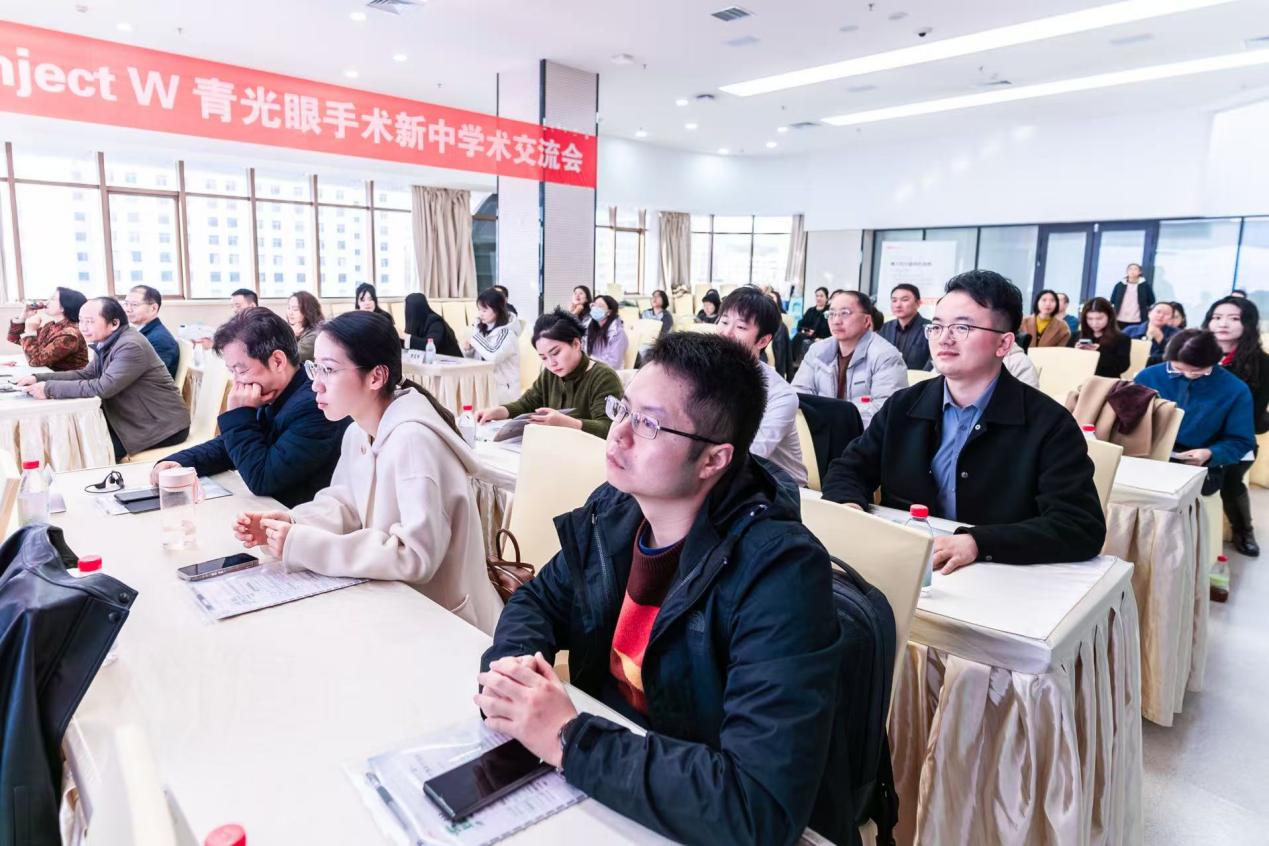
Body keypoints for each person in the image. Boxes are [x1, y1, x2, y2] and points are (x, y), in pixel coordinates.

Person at [477, 331, 850, 845]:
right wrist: (513, 673)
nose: (618, 435)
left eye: (648, 424)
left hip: (689, 805)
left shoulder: (781, 574)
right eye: (623, 410)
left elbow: (756, 806)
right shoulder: (618, 507)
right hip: (613, 778)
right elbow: (540, 599)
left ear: (713, 460)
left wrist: (568, 738)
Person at [232, 310, 503, 633]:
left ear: (376, 377)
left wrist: (305, 546)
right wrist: (292, 524)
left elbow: (415, 556)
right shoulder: (358, 431)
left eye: (329, 370)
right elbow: (344, 504)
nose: (315, 383)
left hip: (447, 624)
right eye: (315, 367)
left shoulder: (414, 440)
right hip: (398, 606)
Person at [821, 270, 1106, 570]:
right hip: (907, 566)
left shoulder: (1049, 423)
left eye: (962, 327)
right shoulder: (903, 406)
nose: (944, 338)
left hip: (1002, 575)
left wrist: (978, 543)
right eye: (937, 326)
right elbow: (848, 469)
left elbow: (1079, 524)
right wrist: (849, 508)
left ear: (1003, 344)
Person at [151, 308, 350, 508]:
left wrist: (239, 414)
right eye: (232, 371)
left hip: (301, 516)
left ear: (278, 361)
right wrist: (181, 462)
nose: (237, 382)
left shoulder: (314, 405)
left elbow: (262, 479)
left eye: (241, 370)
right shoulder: (276, 392)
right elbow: (231, 447)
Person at [18, 298, 190, 461]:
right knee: (71, 440)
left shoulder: (130, 345)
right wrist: (38, 378)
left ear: (114, 323)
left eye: (90, 321)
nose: (83, 327)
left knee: (87, 452)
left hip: (161, 427)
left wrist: (48, 388)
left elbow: (103, 388)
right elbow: (86, 374)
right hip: (132, 420)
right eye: (81, 321)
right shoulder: (109, 341)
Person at [1135, 329, 1256, 527]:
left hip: (1199, 463)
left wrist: (1210, 454)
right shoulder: (1148, 377)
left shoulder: (1235, 389)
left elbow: (1241, 440)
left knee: (1173, 506)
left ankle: (1241, 530)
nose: (1188, 374)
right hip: (1148, 455)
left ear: (1215, 362)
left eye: (1197, 370)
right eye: (1178, 368)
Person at [474, 309, 623, 438]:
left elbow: (609, 428)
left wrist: (567, 423)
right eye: (544, 358)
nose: (551, 363)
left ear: (576, 344)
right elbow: (527, 404)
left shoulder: (603, 377)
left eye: (556, 353)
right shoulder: (550, 374)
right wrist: (499, 411)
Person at [717, 287, 807, 487]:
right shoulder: (706, 374)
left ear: (763, 340)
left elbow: (754, 452)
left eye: (741, 327)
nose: (726, 333)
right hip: (723, 476)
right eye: (724, 322)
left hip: (779, 487)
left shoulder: (780, 395)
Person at [1204, 296, 1269, 556]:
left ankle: (1244, 531)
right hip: (1193, 434)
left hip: (1235, 437)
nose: (1223, 324)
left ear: (1248, 324)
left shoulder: (1262, 363)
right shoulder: (1194, 351)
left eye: (1234, 318)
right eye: (1217, 317)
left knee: (1231, 481)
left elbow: (1254, 412)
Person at [792, 289, 908, 429]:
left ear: (866, 320)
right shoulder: (817, 350)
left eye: (845, 313)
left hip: (864, 437)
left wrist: (830, 417)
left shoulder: (886, 356)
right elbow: (798, 394)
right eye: (831, 314)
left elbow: (886, 412)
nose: (836, 321)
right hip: (820, 432)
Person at [6, 287, 88, 371]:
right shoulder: (50, 326)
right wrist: (22, 318)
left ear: (63, 307)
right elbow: (15, 339)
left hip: (67, 378)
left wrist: (31, 331)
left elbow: (36, 361)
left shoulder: (70, 335)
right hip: (48, 374)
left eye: (52, 299)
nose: (46, 302)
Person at [463, 288, 520, 404]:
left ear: (497, 310)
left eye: (484, 310)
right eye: (479, 310)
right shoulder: (481, 328)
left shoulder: (507, 334)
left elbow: (493, 357)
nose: (480, 314)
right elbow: (478, 360)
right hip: (484, 386)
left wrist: (475, 339)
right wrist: (468, 351)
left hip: (503, 392)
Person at [123, 285, 180, 379]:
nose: (128, 309)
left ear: (153, 308)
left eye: (134, 304)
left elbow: (153, 379)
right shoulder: (140, 333)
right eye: (126, 304)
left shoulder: (160, 339)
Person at [878, 283, 931, 370]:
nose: (898, 305)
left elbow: (932, 361)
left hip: (919, 377)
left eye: (904, 300)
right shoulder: (884, 328)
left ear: (918, 303)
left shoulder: (930, 328)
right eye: (894, 300)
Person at [1077, 297, 1132, 378]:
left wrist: (1099, 352)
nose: (1094, 323)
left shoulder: (1122, 339)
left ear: (1109, 317)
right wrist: (1075, 352)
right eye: (1090, 319)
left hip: (1107, 381)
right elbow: (1065, 362)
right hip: (1080, 379)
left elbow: (1122, 367)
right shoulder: (1076, 336)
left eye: (1099, 318)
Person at [402, 292, 462, 357]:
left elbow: (429, 345)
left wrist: (404, 336)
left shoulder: (435, 322)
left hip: (451, 360)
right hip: (431, 360)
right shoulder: (415, 323)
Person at [1124, 301, 1178, 367]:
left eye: (1166, 314)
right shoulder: (1131, 330)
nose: (1161, 316)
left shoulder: (1176, 334)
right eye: (1158, 312)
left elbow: (1175, 357)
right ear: (1149, 313)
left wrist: (1161, 340)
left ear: (1171, 319)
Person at [585, 294, 628, 370]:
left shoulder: (617, 333)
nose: (595, 308)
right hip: (592, 369)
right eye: (594, 305)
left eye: (600, 306)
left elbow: (614, 363)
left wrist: (591, 362)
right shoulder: (591, 329)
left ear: (609, 312)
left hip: (609, 372)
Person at [1111, 263, 1155, 329]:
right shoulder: (1120, 285)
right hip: (1119, 318)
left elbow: (1151, 300)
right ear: (1127, 271)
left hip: (1137, 319)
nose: (1132, 271)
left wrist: (1143, 308)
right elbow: (1113, 299)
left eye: (1135, 269)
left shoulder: (1145, 285)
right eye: (1130, 269)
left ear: (1140, 272)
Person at [286, 291, 323, 363]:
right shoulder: (295, 328)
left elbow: (288, 358)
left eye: (295, 309)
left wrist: (291, 334)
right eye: (288, 308)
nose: (290, 313)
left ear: (308, 311)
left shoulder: (314, 335)